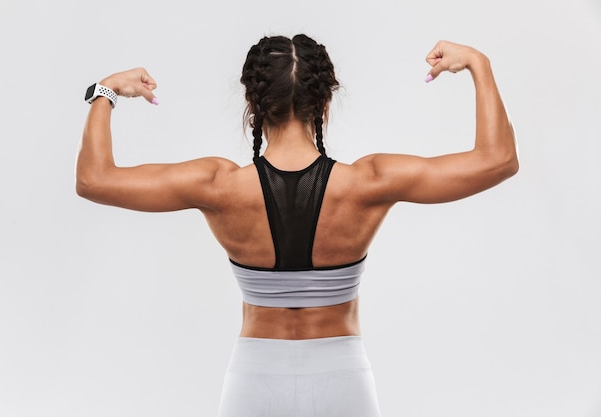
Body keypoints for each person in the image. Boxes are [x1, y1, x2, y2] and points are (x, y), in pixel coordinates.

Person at [76, 34, 518, 417]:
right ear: (324, 103)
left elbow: (94, 180)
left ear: (254, 104)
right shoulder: (370, 181)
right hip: (343, 380)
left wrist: (106, 92)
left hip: (254, 380)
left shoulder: (216, 184)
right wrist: (480, 63)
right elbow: (497, 160)